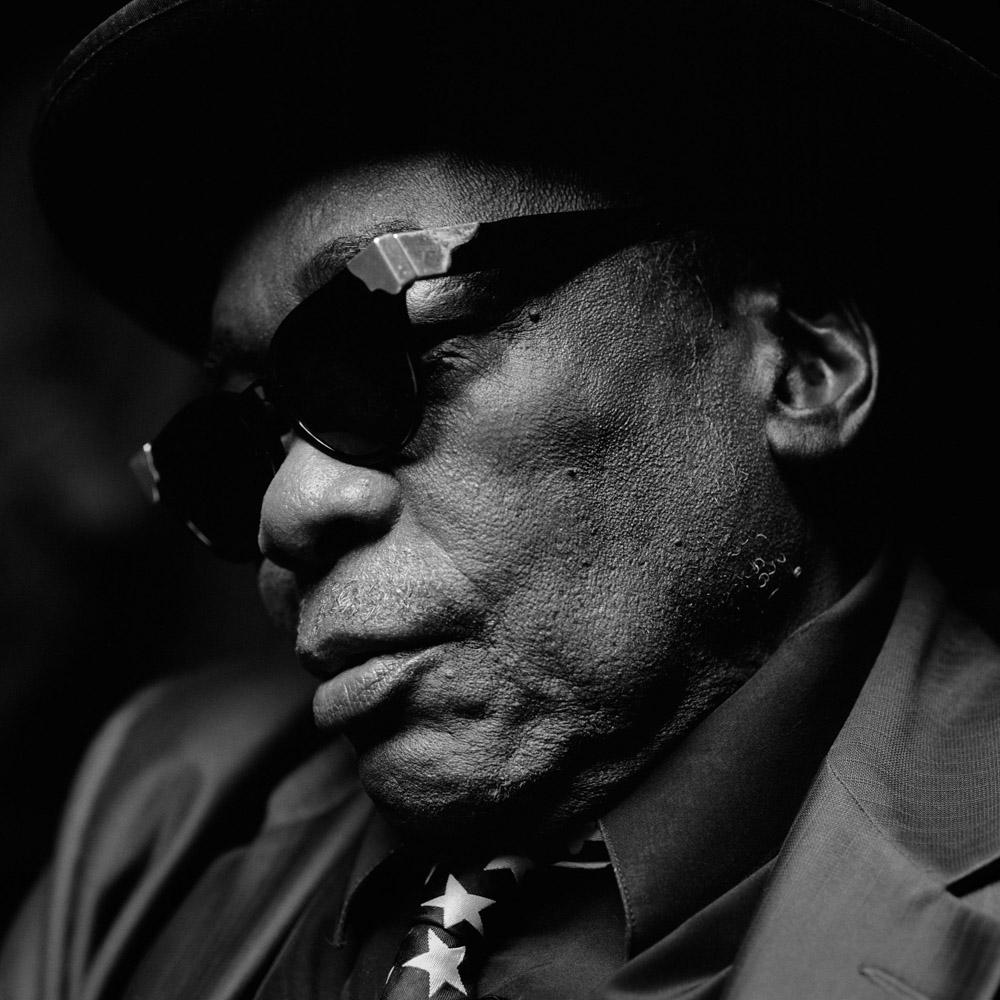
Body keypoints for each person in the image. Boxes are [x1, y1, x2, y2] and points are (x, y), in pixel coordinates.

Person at [2, 1, 999, 998]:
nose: (288, 507)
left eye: (386, 357)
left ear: (804, 366)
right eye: (240, 442)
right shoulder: (160, 805)